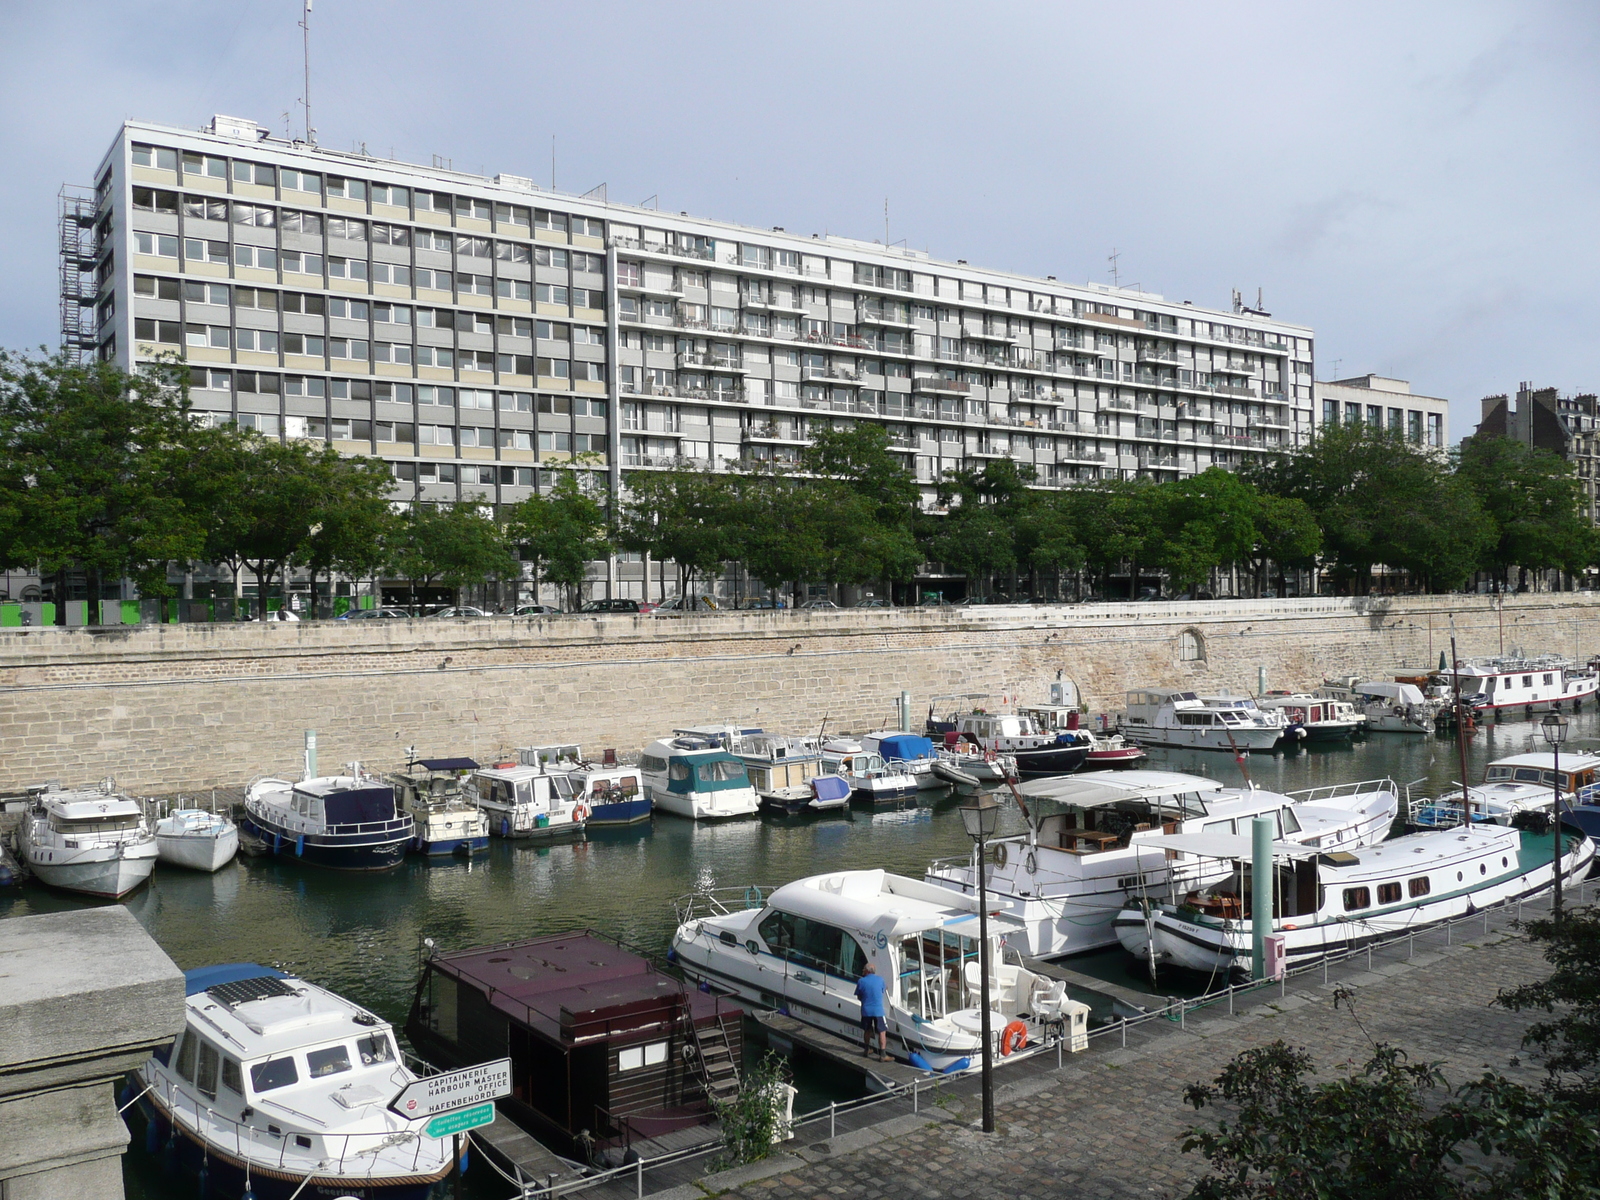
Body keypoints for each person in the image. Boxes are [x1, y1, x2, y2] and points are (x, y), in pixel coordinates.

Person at [855, 962, 889, 1061]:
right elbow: (884, 989)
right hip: (878, 1010)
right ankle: (883, 1055)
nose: (862, 972)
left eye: (863, 970)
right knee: (882, 1032)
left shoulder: (861, 981)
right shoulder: (881, 980)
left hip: (866, 1010)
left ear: (867, 971)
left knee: (867, 1030)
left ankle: (866, 1050)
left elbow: (859, 996)